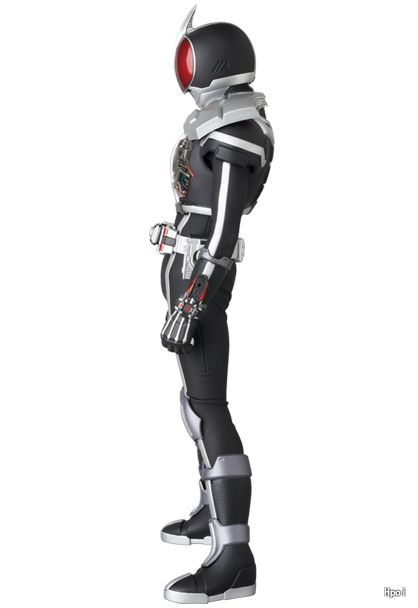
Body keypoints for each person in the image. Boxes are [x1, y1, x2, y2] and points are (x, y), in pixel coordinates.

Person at [149, 6, 274, 603]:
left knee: (208, 409)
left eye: (191, 60)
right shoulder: (220, 123)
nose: (185, 70)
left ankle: (235, 558)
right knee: (195, 404)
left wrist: (193, 301)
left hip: (201, 276)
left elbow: (223, 232)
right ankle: (211, 512)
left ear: (217, 62)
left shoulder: (237, 130)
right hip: (186, 270)